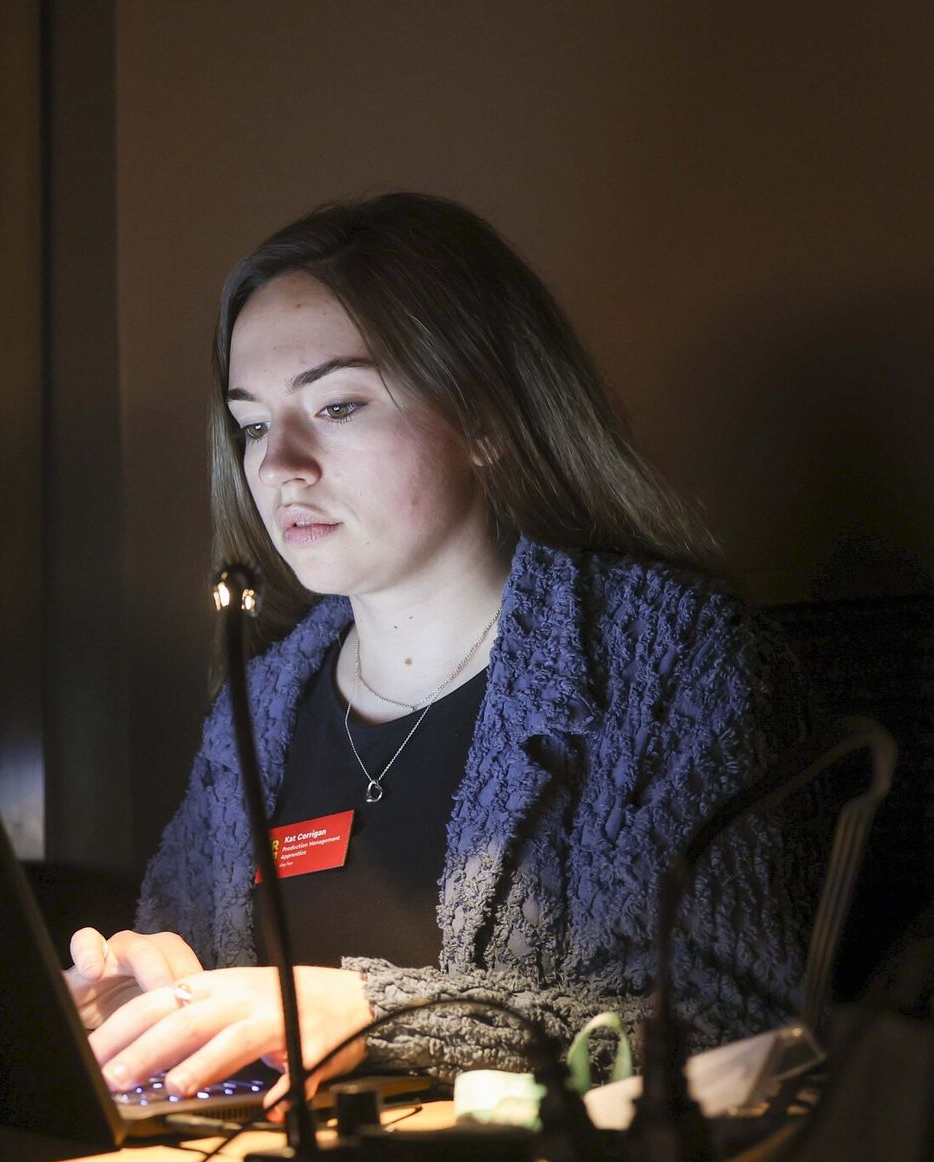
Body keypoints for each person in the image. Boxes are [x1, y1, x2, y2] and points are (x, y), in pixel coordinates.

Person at [69, 193, 819, 1105]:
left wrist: (373, 1015)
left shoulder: (662, 660)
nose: (277, 466)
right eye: (254, 423)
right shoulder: (256, 708)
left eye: (338, 405)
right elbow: (198, 982)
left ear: (488, 419)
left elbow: (724, 1027)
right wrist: (144, 1002)